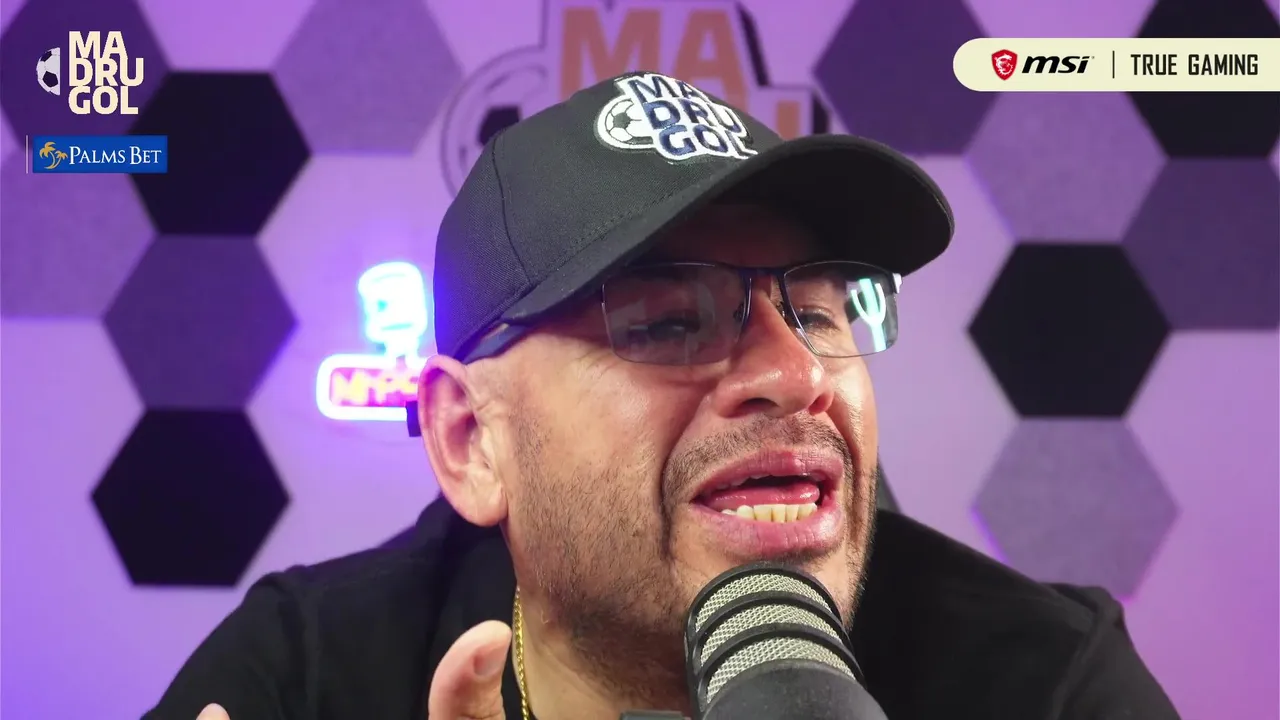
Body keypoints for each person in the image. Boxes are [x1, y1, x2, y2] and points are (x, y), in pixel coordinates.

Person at [149, 72, 1179, 720]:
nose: (795, 375)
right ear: (469, 441)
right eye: (664, 322)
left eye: (818, 311)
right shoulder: (302, 680)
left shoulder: (1045, 686)